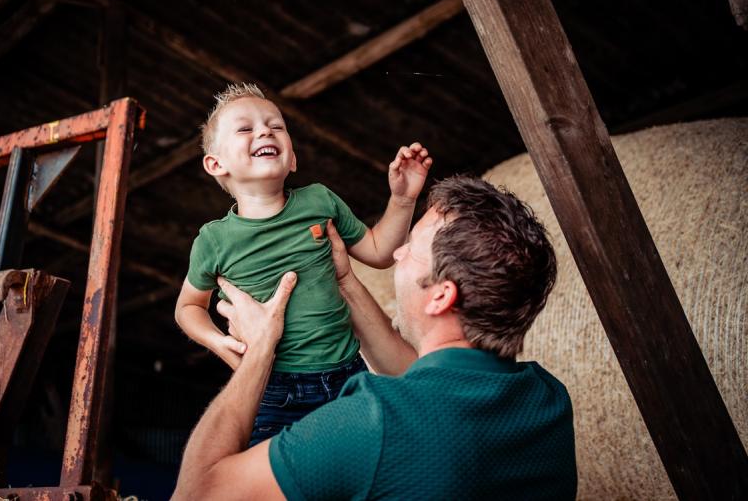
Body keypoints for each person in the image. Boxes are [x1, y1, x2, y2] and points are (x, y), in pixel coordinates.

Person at [172, 175, 577, 500]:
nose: (396, 254)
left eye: (412, 248)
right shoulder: (547, 401)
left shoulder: (372, 422)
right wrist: (343, 280)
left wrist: (261, 348)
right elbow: (424, 387)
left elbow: (198, 492)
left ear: (441, 295)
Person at [175, 83, 432, 445]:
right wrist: (218, 342)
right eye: (246, 128)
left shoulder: (320, 200)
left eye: (276, 126)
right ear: (216, 164)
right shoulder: (213, 240)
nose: (265, 131)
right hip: (273, 390)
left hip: (347, 376)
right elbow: (188, 306)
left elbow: (377, 252)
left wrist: (403, 199)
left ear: (292, 159)